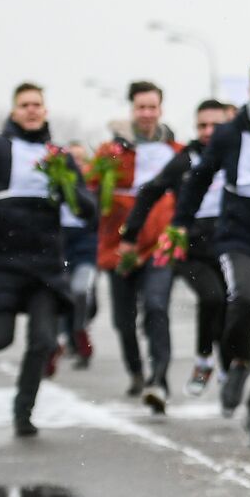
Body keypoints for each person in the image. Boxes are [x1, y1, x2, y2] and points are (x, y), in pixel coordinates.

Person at [129, 53, 250, 448]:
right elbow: (199, 178)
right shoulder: (230, 135)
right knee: (246, 296)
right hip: (239, 238)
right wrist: (182, 222)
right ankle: (238, 358)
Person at [0, 83, 94, 437]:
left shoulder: (58, 155)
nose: (31, 110)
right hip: (0, 262)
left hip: (44, 265)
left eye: (37, 104)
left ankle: (23, 410)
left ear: (45, 111)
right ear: (13, 111)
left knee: (42, 341)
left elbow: (87, 207)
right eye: (24, 104)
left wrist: (72, 194)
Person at [122, 99, 234, 396]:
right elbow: (149, 192)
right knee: (212, 298)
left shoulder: (237, 155)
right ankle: (203, 359)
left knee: (231, 307)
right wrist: (130, 235)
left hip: (230, 244)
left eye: (215, 125)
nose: (208, 131)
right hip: (191, 248)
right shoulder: (185, 160)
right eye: (202, 126)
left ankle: (226, 365)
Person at [90, 81, 184, 413]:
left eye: (152, 107)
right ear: (132, 111)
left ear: (161, 109)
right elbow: (91, 195)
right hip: (120, 249)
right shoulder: (110, 154)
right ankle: (136, 371)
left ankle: (159, 378)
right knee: (124, 320)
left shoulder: (177, 152)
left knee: (157, 308)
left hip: (159, 247)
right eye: (140, 107)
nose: (146, 113)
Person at [62, 142, 99, 370]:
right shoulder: (57, 183)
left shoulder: (95, 186)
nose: (76, 163)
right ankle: (74, 341)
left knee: (81, 293)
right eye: (72, 158)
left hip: (86, 248)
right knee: (64, 297)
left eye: (81, 159)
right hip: (60, 248)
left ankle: (79, 330)